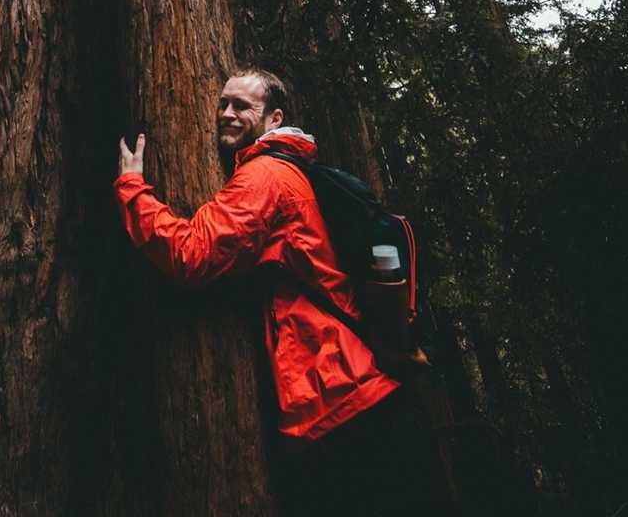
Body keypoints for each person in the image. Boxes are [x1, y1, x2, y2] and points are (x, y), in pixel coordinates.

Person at [114, 68, 450, 515]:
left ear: (273, 119)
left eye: (242, 106)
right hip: (356, 392)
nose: (227, 114)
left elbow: (192, 254)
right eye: (224, 103)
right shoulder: (290, 170)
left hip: (343, 402)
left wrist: (133, 189)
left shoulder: (266, 177)